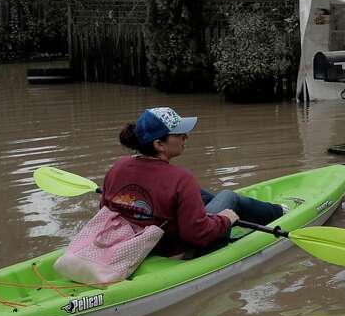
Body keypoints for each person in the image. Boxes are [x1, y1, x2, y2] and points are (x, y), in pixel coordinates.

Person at [103, 106, 287, 257]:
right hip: (174, 251)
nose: (186, 137)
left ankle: (227, 211)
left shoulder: (117, 167)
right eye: (179, 134)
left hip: (136, 244)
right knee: (228, 197)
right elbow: (197, 234)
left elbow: (105, 211)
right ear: (159, 144)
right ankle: (281, 213)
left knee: (200, 194)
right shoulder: (181, 178)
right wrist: (225, 219)